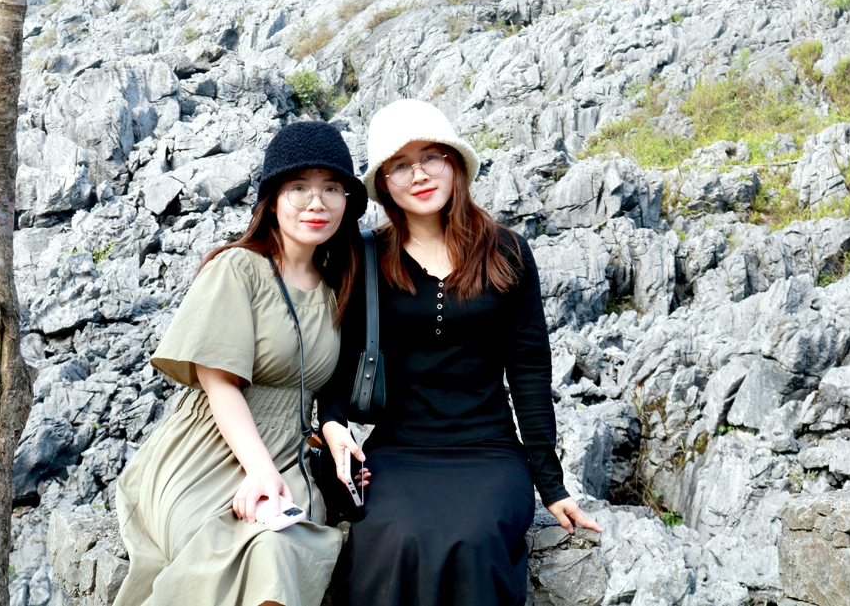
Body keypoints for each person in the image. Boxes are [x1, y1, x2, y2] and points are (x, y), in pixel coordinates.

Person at [318, 99, 601, 606]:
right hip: (399, 452)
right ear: (383, 183)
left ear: (455, 163)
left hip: (490, 450)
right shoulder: (363, 257)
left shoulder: (508, 250)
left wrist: (552, 486)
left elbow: (531, 372)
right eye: (400, 165)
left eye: (431, 156)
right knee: (394, 538)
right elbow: (337, 362)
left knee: (474, 540)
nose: (419, 174)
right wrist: (333, 422)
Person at [112, 121, 367, 606]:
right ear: (272, 198)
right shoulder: (237, 267)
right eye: (298, 188)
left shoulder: (340, 288)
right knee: (221, 544)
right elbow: (219, 383)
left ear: (347, 202)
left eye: (331, 188)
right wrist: (259, 471)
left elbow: (331, 386)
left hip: (288, 457)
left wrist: (333, 431)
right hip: (206, 450)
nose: (316, 203)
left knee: (278, 548)